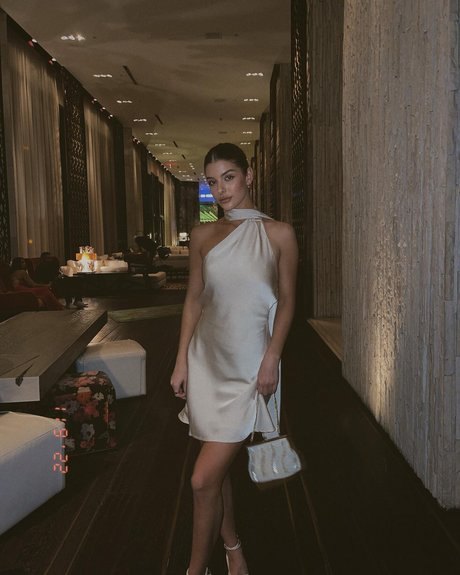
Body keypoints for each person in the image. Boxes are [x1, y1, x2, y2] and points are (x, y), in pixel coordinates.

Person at [170, 143, 298, 575]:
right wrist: (181, 361)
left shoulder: (279, 233)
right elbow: (194, 300)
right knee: (216, 473)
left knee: (201, 478)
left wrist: (272, 357)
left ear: (248, 176)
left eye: (229, 177)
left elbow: (288, 301)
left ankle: (195, 570)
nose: (221, 189)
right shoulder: (202, 235)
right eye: (212, 181)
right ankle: (234, 550)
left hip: (249, 366)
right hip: (206, 362)